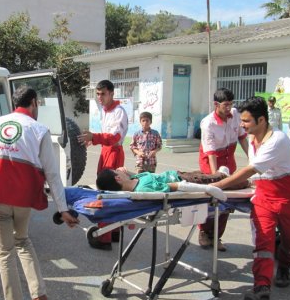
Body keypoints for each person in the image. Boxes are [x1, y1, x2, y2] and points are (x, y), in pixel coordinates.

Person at [0, 86, 79, 300]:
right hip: (23, 200)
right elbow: (53, 175)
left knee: (5, 253)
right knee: (23, 241)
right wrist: (63, 209)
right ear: (34, 103)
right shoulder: (39, 130)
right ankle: (38, 294)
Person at [211, 97, 290, 300]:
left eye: (246, 121)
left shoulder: (278, 140)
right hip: (264, 199)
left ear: (261, 119)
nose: (242, 125)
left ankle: (284, 267)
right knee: (263, 242)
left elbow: (251, 170)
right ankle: (262, 287)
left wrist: (218, 185)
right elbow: (256, 176)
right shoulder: (253, 141)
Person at [77, 80, 128, 249]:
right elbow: (107, 135)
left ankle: (104, 238)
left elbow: (114, 138)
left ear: (112, 93)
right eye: (97, 94)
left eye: (103, 94)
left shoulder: (118, 111)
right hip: (107, 151)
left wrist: (95, 137)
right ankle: (114, 233)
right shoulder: (105, 110)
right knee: (111, 193)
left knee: (107, 195)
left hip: (113, 153)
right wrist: (94, 140)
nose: (100, 97)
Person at [198, 88, 248, 252]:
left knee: (226, 199)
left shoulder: (235, 115)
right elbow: (211, 153)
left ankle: (217, 236)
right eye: (225, 105)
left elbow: (242, 138)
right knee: (209, 197)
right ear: (216, 105)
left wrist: (252, 160)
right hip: (210, 162)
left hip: (229, 159)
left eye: (231, 104)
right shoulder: (208, 123)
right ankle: (204, 232)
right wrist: (216, 178)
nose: (229, 108)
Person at [96, 167, 247, 200]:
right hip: (186, 180)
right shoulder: (143, 188)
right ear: (117, 179)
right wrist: (209, 189)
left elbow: (133, 176)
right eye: (117, 171)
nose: (120, 170)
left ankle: (223, 174)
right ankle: (245, 180)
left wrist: (126, 172)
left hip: (179, 173)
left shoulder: (135, 179)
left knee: (207, 173)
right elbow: (177, 186)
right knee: (227, 181)